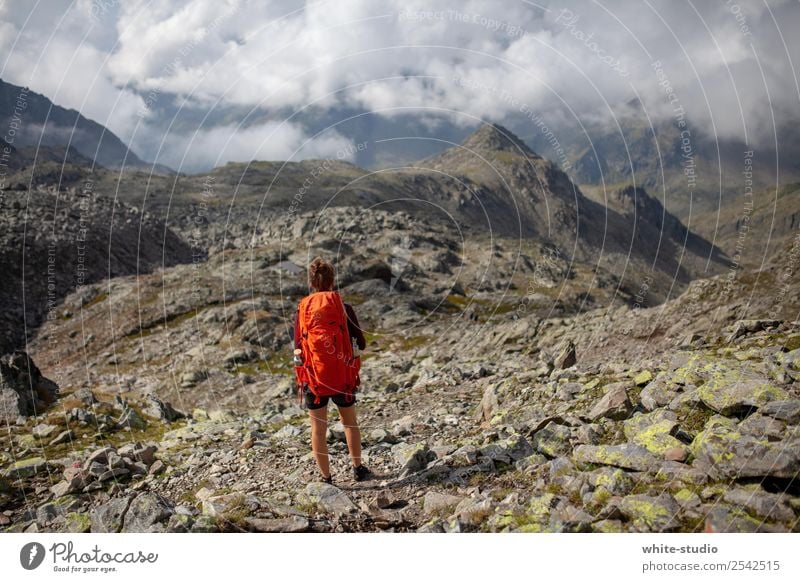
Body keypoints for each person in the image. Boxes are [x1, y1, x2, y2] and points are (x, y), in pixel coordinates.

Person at [293, 257, 371, 483]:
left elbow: (298, 346)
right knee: (350, 423)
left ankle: (326, 477)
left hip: (315, 380)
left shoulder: (303, 310)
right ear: (332, 280)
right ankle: (358, 469)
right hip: (342, 378)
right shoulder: (343, 307)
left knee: (318, 430)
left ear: (311, 282)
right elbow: (361, 342)